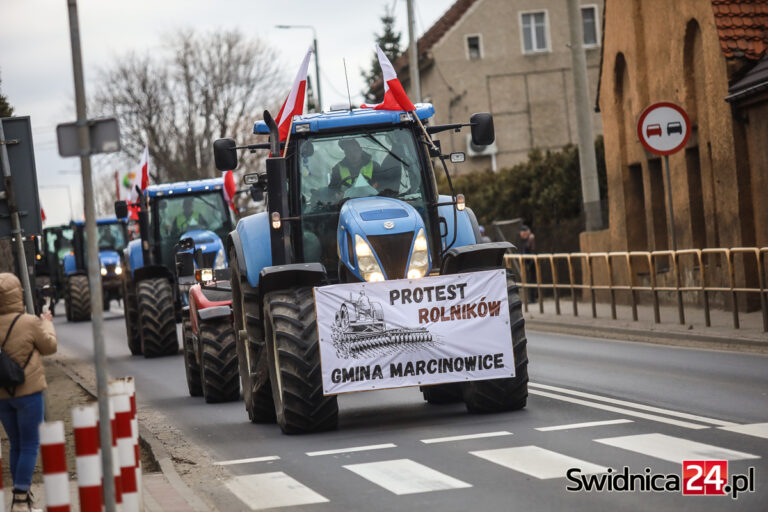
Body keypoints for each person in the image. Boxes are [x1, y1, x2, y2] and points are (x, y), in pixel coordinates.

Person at [0, 273, 57, 512]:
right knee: (31, 444)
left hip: (3, 395)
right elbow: (50, 347)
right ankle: (21, 498)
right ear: (18, 294)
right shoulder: (29, 322)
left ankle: (22, 494)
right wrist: (47, 323)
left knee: (15, 444)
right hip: (29, 392)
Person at [518, 224, 537, 303]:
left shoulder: (530, 238)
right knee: (529, 281)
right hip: (528, 262)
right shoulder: (526, 239)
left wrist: (530, 263)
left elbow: (532, 251)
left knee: (532, 280)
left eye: (521, 232)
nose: (520, 234)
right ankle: (531, 298)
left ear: (524, 232)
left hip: (532, 262)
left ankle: (533, 298)